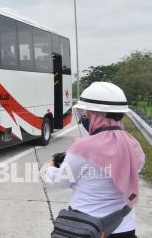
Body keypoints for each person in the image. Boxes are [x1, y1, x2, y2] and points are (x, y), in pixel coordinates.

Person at [45, 82, 145, 237]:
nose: (85, 117)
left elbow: (62, 181)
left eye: (87, 113)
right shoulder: (133, 144)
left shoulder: (83, 147)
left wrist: (50, 168)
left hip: (87, 227)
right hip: (124, 226)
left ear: (95, 114)